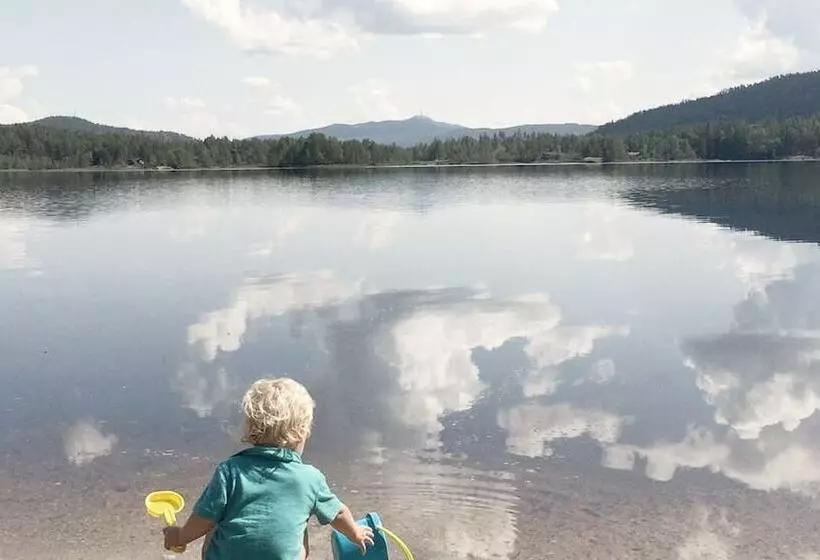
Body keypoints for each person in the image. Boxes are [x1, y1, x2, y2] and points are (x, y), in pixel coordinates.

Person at [162, 378, 374, 559]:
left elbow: (204, 518)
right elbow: (337, 513)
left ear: (251, 429)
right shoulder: (310, 478)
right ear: (302, 433)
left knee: (217, 522)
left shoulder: (230, 471)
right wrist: (355, 533)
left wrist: (180, 537)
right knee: (299, 530)